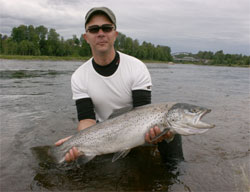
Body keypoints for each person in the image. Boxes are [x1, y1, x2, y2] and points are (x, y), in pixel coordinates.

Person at [55, 7, 183, 163]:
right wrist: (77, 141)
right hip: (105, 133)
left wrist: (156, 134)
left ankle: (176, 172)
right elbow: (87, 119)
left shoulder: (137, 67)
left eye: (107, 28)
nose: (101, 33)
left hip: (138, 129)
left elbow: (143, 111)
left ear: (115, 34)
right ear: (86, 37)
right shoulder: (79, 76)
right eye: (94, 29)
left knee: (172, 132)